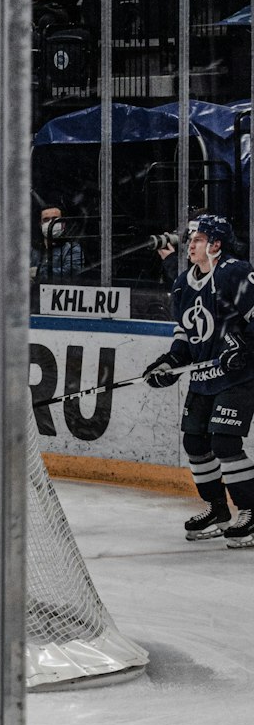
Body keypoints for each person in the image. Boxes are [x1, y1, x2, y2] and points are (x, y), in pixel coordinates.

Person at [143, 213, 254, 548]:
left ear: (216, 245)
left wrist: (245, 346)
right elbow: (185, 336)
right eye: (190, 238)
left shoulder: (236, 272)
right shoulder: (181, 284)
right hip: (204, 376)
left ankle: (249, 511)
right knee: (195, 443)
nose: (190, 244)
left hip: (240, 375)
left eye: (199, 239)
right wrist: (171, 362)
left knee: (224, 443)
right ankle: (217, 510)